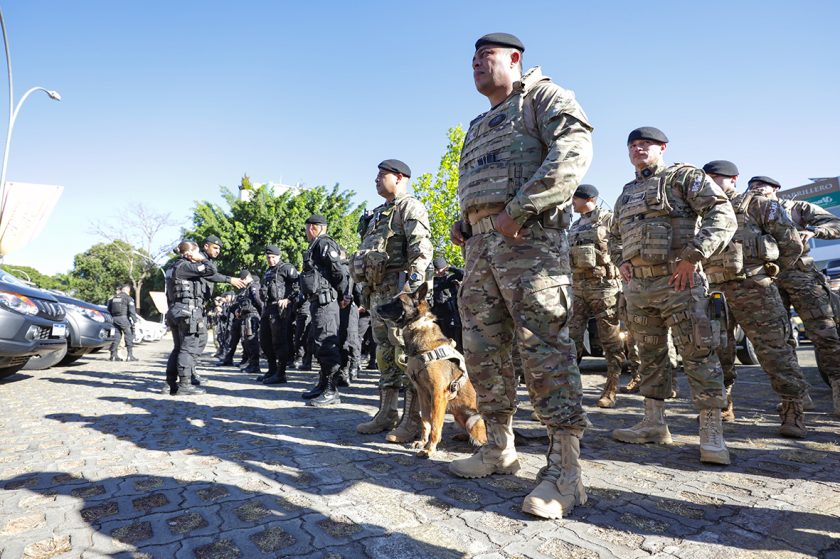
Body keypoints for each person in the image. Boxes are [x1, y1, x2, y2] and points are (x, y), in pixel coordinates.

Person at [448, 33, 592, 520]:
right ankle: (498, 448)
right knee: (483, 353)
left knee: (544, 351)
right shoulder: (480, 121)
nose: (475, 65)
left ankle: (564, 473)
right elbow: (482, 181)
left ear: (514, 59)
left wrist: (520, 209)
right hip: (483, 249)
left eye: (484, 57)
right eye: (472, 60)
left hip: (529, 243)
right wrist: (467, 220)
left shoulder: (545, 97)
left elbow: (572, 153)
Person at [608, 127, 736, 464]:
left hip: (680, 283)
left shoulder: (683, 178)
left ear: (662, 147)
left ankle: (711, 433)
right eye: (633, 145)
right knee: (648, 355)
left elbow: (721, 215)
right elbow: (613, 235)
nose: (638, 150)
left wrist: (693, 257)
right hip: (639, 289)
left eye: (646, 144)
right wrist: (620, 260)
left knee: (698, 353)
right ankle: (654, 424)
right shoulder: (627, 192)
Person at [352, 159, 433, 440]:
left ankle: (413, 420)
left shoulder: (410, 207)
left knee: (405, 356)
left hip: (399, 295)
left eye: (381, 175)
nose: (376, 179)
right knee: (384, 355)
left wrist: (411, 293)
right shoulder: (377, 213)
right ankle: (387, 413)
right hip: (378, 295)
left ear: (399, 178)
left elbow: (421, 253)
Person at [751, 176, 840, 416]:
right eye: (752, 186)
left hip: (801, 275)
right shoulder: (748, 212)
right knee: (779, 341)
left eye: (762, 185)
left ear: (776, 189)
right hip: (768, 279)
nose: (756, 188)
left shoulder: (797, 208)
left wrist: (814, 231)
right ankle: (798, 398)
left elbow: (835, 223)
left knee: (825, 333)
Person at [567, 184, 626, 408]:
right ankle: (570, 392)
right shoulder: (574, 225)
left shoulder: (609, 220)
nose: (572, 203)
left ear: (588, 198)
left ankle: (611, 389)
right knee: (571, 340)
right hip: (578, 289)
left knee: (610, 341)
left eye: (575, 198)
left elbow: (621, 244)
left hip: (605, 288)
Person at [164, 241, 245, 395]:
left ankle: (171, 383)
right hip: (187, 310)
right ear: (190, 253)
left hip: (175, 310)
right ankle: (184, 385)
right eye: (197, 252)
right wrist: (200, 258)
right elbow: (210, 269)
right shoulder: (186, 266)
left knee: (178, 348)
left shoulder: (172, 267)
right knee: (188, 348)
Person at [300, 215, 350, 407]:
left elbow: (338, 271)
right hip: (317, 302)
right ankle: (322, 384)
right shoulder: (316, 245)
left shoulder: (324, 243)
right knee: (318, 344)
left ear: (313, 228)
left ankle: (331, 390)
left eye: (307, 229)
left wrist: (343, 294)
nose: (306, 233)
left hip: (326, 302)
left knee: (327, 344)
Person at [258, 245, 299, 385]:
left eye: (273, 257)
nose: (271, 260)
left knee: (279, 342)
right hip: (268, 309)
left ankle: (281, 373)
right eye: (268, 258)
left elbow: (298, 285)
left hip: (280, 310)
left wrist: (289, 299)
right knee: (265, 341)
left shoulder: (286, 268)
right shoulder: (268, 271)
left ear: (279, 256)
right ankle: (271, 370)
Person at [431, 256, 464, 352]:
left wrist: (450, 268)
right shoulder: (433, 281)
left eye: (439, 269)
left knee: (457, 339)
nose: (437, 272)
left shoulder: (450, 278)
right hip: (439, 315)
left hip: (452, 314)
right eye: (435, 270)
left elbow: (463, 273)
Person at [107, 284, 138, 362]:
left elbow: (109, 310)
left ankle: (113, 355)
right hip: (124, 319)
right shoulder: (128, 298)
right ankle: (130, 356)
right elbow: (132, 311)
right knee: (128, 336)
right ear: (128, 290)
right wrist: (135, 320)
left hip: (114, 319)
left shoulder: (113, 298)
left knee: (116, 337)